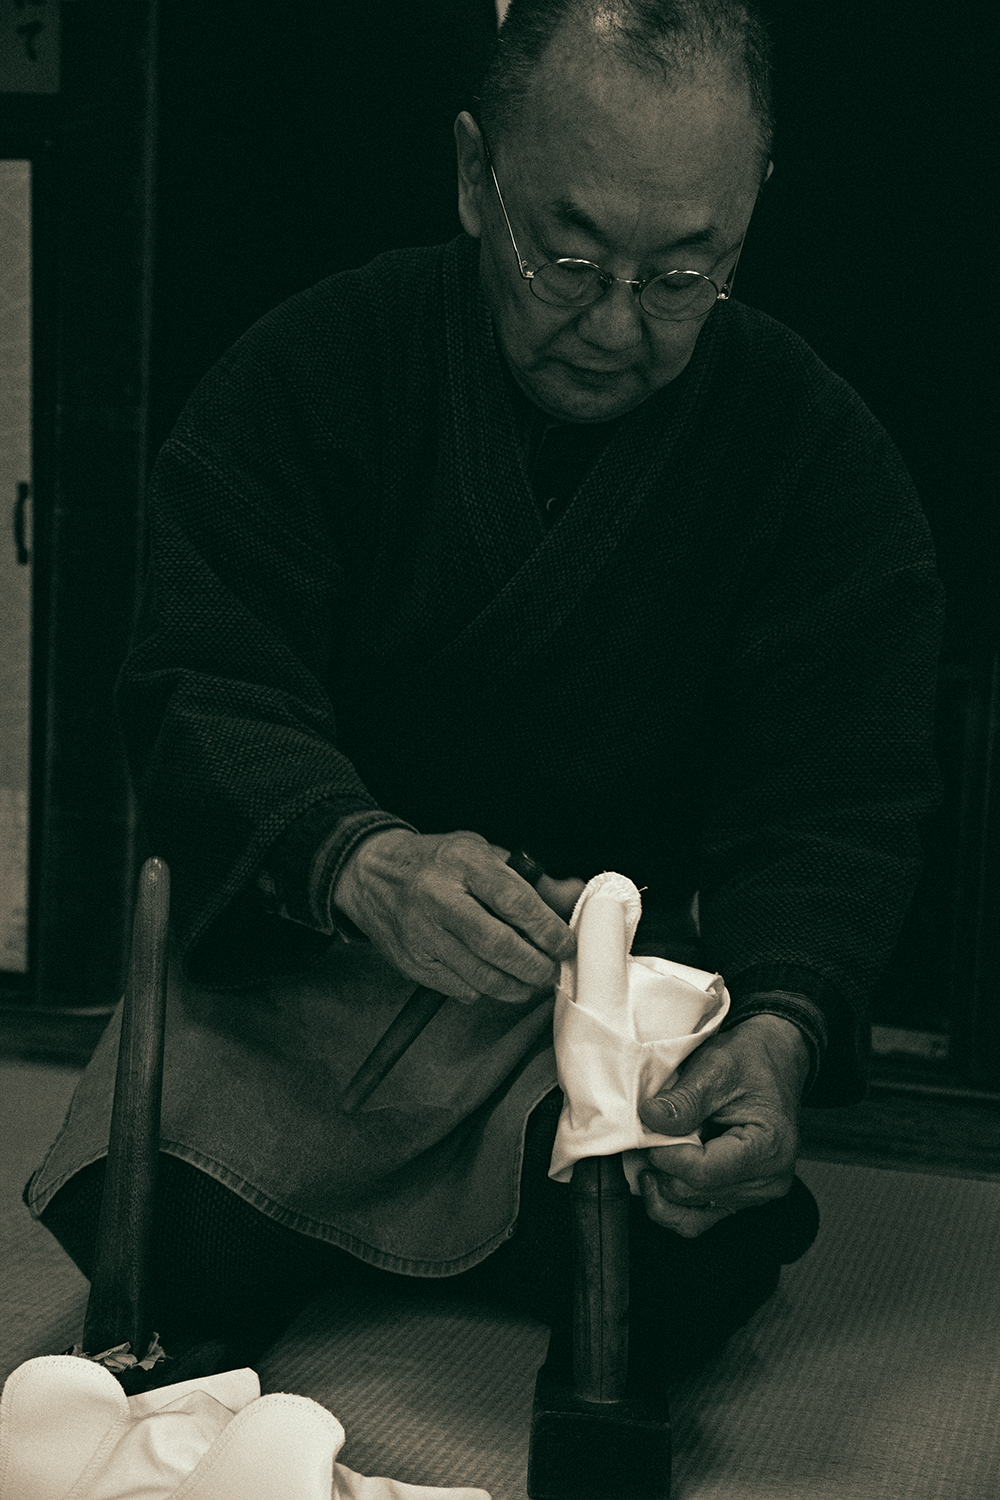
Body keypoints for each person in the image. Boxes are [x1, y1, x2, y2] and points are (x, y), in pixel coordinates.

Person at [29, 0, 942, 1383]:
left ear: (750, 211)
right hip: (320, 985)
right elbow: (199, 682)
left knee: (679, 1240)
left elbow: (840, 796)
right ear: (475, 175)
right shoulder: (317, 370)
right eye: (568, 259)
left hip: (598, 1014)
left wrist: (782, 1027)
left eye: (684, 273)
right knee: (150, 1224)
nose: (617, 323)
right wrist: (358, 859)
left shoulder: (815, 458)